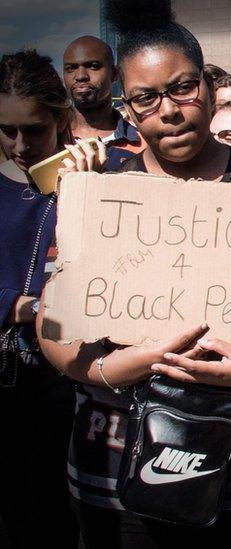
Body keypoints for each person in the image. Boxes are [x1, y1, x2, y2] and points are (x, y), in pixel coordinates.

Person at [39, 2, 231, 547]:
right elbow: (53, 327)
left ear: (205, 83)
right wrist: (111, 369)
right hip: (122, 466)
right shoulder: (101, 192)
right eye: (146, 98)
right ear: (127, 108)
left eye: (182, 88)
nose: (169, 110)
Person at [0, 49, 78, 549]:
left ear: (61, 118)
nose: (21, 145)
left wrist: (87, 185)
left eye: (34, 129)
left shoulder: (92, 175)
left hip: (70, 378)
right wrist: (23, 306)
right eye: (7, 130)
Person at [62, 35, 145, 163]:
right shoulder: (52, 142)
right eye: (71, 68)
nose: (80, 76)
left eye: (93, 66)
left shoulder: (142, 144)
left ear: (115, 74)